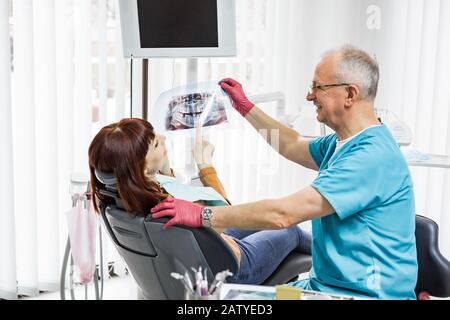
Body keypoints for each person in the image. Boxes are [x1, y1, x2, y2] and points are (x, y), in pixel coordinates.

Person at [151, 45, 419, 299]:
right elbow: (291, 144)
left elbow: (283, 215)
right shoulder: (343, 142)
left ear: (350, 93)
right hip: (319, 287)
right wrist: (245, 108)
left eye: (318, 87)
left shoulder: (370, 158)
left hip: (362, 296)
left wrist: (203, 214)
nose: (309, 95)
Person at [88, 118, 311, 285]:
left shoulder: (124, 200)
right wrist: (205, 165)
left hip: (202, 257)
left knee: (262, 219)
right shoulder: (169, 207)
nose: (164, 139)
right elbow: (223, 212)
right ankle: (342, 259)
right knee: (290, 230)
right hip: (230, 267)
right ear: (142, 168)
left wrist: (165, 170)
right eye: (156, 144)